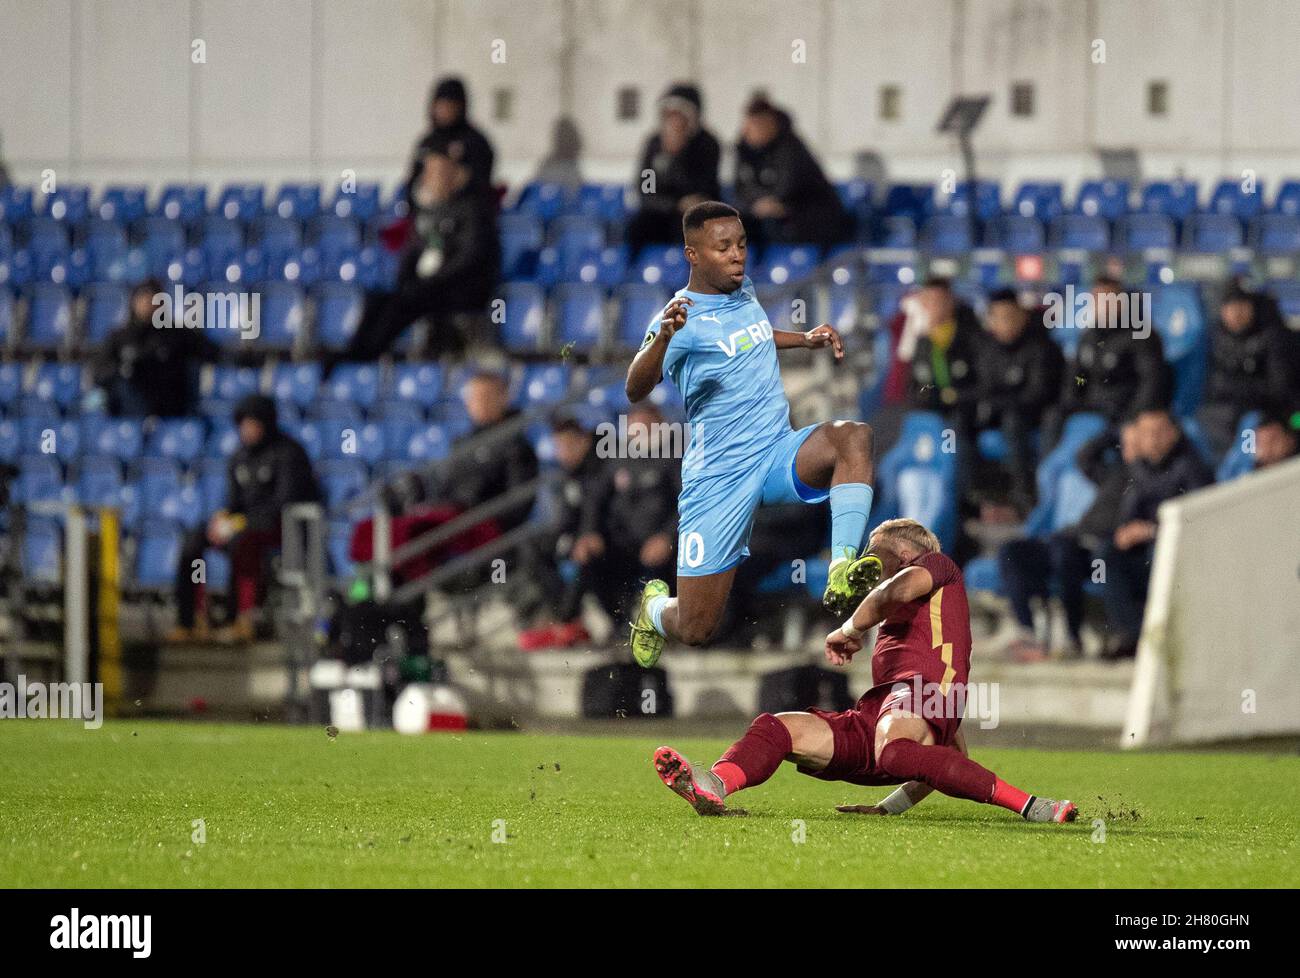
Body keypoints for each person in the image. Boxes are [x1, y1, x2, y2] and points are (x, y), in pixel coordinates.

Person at [650, 518, 1078, 824]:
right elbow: (949, 757)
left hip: (916, 702)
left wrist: (849, 628)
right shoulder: (911, 623)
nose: (867, 563)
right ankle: (715, 784)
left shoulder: (938, 567)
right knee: (779, 727)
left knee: (895, 744)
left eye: (876, 552)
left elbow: (893, 590)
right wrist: (886, 809)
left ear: (907, 553)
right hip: (881, 718)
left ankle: (1033, 806)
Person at [625, 200, 879, 666]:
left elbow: (752, 334)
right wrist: (663, 337)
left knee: (853, 436)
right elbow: (635, 388)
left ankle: (843, 567)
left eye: (741, 244)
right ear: (693, 255)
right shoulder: (679, 318)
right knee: (698, 628)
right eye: (724, 248)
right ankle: (654, 609)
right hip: (718, 479)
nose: (738, 255)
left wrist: (802, 339)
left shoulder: (744, 292)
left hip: (775, 451)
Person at [330, 134, 499, 367]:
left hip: (459, 289)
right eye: (428, 171)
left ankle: (366, 355)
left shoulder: (473, 210)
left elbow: (470, 257)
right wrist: (407, 279)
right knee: (380, 299)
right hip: (428, 286)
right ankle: (357, 352)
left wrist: (433, 279)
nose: (429, 178)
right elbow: (413, 250)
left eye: (436, 171)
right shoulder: (426, 212)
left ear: (454, 174)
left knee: (406, 301)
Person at [518, 406, 678, 650]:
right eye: (633, 427)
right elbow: (595, 500)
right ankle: (617, 623)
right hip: (625, 544)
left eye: (645, 426)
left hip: (666, 546)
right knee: (590, 556)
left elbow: (690, 506)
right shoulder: (619, 460)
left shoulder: (677, 459)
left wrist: (667, 537)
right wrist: (589, 533)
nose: (638, 432)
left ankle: (668, 627)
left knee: (670, 563)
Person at [170, 395, 320, 643]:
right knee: (193, 542)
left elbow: (285, 502)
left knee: (244, 541)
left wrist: (242, 523)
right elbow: (234, 502)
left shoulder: (289, 453)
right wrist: (223, 518)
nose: (247, 431)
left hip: (281, 529)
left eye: (253, 424)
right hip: (244, 525)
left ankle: (242, 617)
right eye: (243, 425)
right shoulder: (240, 457)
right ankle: (191, 618)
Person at [998, 417, 1140, 660]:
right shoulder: (1114, 474)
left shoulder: (1152, 479)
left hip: (1097, 552)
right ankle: (1027, 631)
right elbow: (1085, 457)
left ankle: (1072, 636)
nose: (1127, 448)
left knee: (1063, 550)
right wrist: (1118, 431)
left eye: (1134, 443)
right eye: (1125, 444)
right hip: (1070, 540)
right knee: (1012, 550)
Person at [1099, 408, 1213, 658]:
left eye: (1159, 432)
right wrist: (1125, 531)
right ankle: (1130, 634)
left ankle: (1157, 639)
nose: (1152, 439)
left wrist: (1152, 531)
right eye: (1146, 433)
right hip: (1144, 547)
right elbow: (1129, 513)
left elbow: (1201, 519)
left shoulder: (1192, 467)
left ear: (1173, 433)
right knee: (1108, 555)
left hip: (1180, 547)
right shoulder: (1138, 468)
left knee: (1158, 555)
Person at [973, 288, 1064, 509]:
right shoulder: (986, 350)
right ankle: (974, 498)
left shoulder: (1042, 347)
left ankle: (1026, 495)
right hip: (1001, 414)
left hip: (1035, 416)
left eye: (1011, 316)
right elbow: (984, 391)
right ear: (991, 321)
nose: (1006, 323)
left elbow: (1038, 393)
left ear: (1023, 316)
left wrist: (1004, 402)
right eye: (999, 318)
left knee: (1013, 421)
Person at [1051, 275, 1171, 437]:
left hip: (1122, 409)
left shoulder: (1142, 336)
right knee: (1053, 417)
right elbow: (1078, 376)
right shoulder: (1088, 337)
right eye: (1097, 299)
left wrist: (1133, 415)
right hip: (1092, 406)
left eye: (1109, 300)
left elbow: (1150, 382)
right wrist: (1072, 402)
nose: (1103, 306)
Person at [733, 96, 851, 250]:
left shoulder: (790, 148)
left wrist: (770, 203)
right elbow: (741, 188)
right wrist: (758, 203)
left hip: (808, 214)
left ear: (771, 124)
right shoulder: (744, 149)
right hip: (768, 211)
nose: (749, 131)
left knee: (776, 222)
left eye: (757, 125)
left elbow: (786, 188)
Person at [1197, 284, 1299, 456]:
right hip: (1232, 417)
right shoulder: (1215, 340)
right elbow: (1213, 387)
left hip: (1282, 415)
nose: (1236, 313)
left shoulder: (1276, 337)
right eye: (1230, 307)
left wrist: (1237, 387)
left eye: (1242, 306)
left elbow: (1280, 389)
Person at [91, 278, 213, 417]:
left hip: (171, 409)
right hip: (129, 409)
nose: (146, 303)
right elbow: (100, 372)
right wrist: (124, 369)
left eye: (152, 298)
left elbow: (209, 351)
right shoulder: (119, 337)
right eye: (142, 298)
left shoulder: (177, 334)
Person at [624, 84, 721, 258]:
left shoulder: (708, 144)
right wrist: (673, 204)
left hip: (694, 215)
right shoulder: (654, 144)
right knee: (637, 226)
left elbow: (702, 188)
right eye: (668, 115)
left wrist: (679, 155)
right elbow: (647, 190)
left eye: (679, 115)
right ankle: (633, 275)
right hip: (662, 210)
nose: (673, 121)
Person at [405, 76, 495, 197]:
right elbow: (412, 181)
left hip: (464, 209)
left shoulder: (475, 141)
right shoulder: (428, 142)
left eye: (449, 106)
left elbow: (482, 183)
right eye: (441, 106)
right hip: (427, 209)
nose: (444, 111)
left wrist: (453, 174)